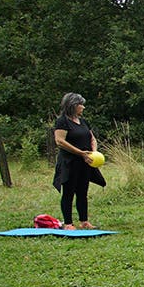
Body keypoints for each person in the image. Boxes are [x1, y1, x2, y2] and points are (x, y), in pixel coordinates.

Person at [53, 92, 106, 230]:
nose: (83, 107)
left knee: (83, 192)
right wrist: (80, 153)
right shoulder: (62, 121)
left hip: (86, 162)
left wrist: (93, 151)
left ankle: (84, 221)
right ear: (73, 105)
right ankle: (68, 223)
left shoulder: (83, 122)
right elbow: (60, 141)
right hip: (70, 162)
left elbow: (92, 138)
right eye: (80, 104)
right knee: (68, 192)